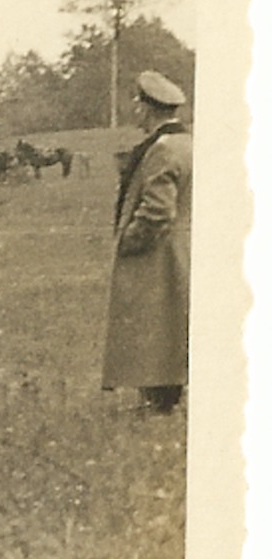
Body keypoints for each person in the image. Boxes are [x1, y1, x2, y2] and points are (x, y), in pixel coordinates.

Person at [103, 70, 193, 415]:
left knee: (156, 323)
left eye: (137, 103)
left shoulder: (162, 149)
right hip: (181, 248)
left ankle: (157, 402)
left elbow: (157, 211)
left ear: (148, 108)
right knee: (171, 323)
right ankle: (163, 400)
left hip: (160, 254)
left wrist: (128, 241)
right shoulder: (186, 143)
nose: (133, 109)